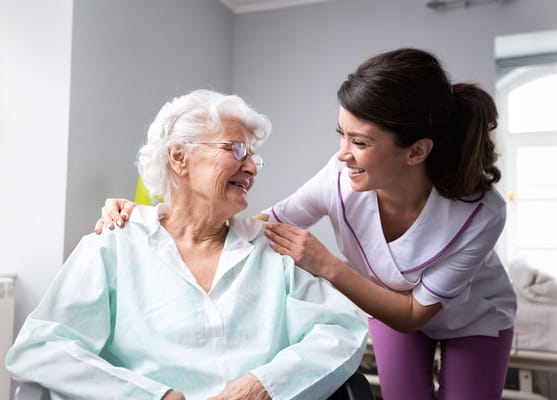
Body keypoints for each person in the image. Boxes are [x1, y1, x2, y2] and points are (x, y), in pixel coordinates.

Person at [95, 48, 517, 400]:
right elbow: (262, 225)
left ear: (416, 152)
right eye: (342, 134)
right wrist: (153, 218)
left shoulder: (480, 214)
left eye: (360, 142)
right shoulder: (339, 177)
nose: (343, 153)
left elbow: (411, 314)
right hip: (386, 311)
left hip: (470, 318)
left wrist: (326, 264)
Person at [5, 89, 368, 400]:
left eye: (254, 157)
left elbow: (342, 332)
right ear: (179, 157)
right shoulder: (113, 245)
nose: (252, 168)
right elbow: (42, 348)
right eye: (237, 149)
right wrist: (152, 396)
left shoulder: (273, 249)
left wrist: (262, 387)